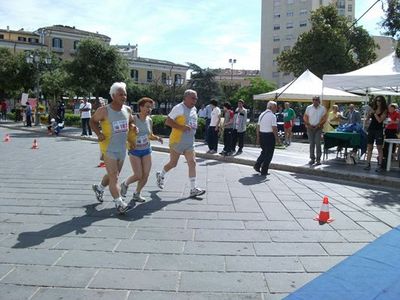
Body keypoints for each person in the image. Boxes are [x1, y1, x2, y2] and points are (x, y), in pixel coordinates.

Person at [90, 82, 137, 214]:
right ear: (113, 96)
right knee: (114, 177)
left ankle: (99, 188)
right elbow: (92, 121)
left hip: (122, 148)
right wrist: (98, 134)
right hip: (108, 148)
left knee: (113, 175)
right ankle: (119, 203)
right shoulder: (104, 110)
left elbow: (131, 121)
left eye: (125, 94)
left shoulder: (127, 110)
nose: (124, 96)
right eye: (120, 94)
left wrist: (133, 127)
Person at [156, 89, 205, 198]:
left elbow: (192, 122)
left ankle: (193, 188)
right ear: (186, 97)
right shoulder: (178, 108)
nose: (195, 100)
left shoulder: (194, 109)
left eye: (196, 98)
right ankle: (161, 174)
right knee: (173, 163)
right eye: (193, 98)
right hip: (177, 141)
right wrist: (181, 127)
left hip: (189, 142)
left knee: (192, 163)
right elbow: (167, 121)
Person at [120, 97, 163, 202]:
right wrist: (132, 129)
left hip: (146, 149)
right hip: (134, 150)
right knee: (138, 175)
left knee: (146, 174)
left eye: (151, 107)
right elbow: (125, 130)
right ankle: (125, 184)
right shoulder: (133, 118)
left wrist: (157, 138)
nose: (149, 109)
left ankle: (137, 193)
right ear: (141, 107)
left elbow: (150, 135)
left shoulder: (150, 120)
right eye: (147, 107)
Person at [254, 101, 281, 176]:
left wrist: (258, 137)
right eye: (275, 107)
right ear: (271, 107)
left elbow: (258, 127)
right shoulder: (272, 116)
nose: (276, 109)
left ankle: (257, 164)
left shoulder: (262, 114)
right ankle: (264, 170)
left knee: (264, 152)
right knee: (269, 154)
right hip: (269, 136)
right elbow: (274, 128)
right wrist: (277, 139)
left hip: (262, 135)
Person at [364, 95, 388, 172]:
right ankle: (368, 164)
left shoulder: (384, 110)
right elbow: (367, 120)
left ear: (382, 101)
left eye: (379, 100)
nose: (378, 102)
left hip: (379, 130)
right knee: (369, 147)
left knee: (379, 148)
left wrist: (374, 113)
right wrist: (368, 114)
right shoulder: (373, 109)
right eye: (377, 100)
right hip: (371, 129)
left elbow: (380, 120)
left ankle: (380, 165)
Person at [303, 96, 327, 165]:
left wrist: (318, 125)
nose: (315, 101)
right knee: (311, 144)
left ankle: (318, 159)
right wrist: (308, 125)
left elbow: (324, 118)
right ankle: (312, 158)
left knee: (318, 143)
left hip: (318, 128)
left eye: (316, 100)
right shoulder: (309, 108)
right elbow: (305, 117)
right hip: (310, 127)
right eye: (313, 100)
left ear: (319, 101)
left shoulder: (323, 108)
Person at [382, 103, 399, 168]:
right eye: (389, 108)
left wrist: (391, 122)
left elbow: (397, 121)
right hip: (387, 130)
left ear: (394, 109)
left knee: (393, 143)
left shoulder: (396, 113)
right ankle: (385, 158)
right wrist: (386, 122)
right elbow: (384, 121)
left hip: (393, 130)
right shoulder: (388, 114)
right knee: (386, 144)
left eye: (391, 108)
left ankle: (392, 155)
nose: (390, 109)